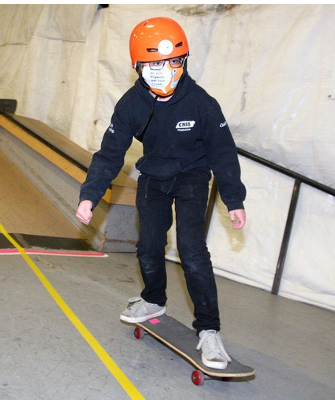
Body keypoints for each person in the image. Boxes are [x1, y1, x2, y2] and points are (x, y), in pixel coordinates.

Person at [75, 16, 247, 370]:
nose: (165, 70)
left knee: (192, 250)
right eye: (155, 63)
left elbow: (223, 153)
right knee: (150, 245)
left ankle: (210, 330)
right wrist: (90, 195)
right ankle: (153, 299)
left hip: (192, 177)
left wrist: (234, 199)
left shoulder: (201, 103)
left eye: (173, 62)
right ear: (137, 65)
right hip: (153, 176)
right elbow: (110, 153)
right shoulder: (130, 105)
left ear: (184, 61)